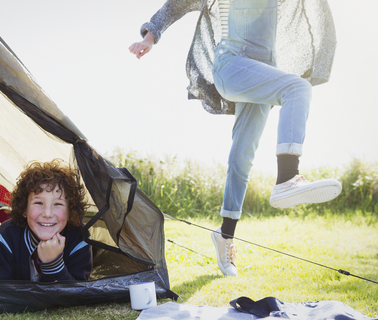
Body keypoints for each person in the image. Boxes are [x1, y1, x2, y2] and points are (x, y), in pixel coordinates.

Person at [129, 0, 341, 277]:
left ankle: (224, 235)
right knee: (297, 88)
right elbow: (176, 5)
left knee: (243, 153)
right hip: (233, 65)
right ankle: (288, 176)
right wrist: (149, 37)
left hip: (263, 68)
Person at [0, 159, 92, 281]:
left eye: (58, 204)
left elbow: (76, 295)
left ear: (70, 212)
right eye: (38, 202)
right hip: (0, 254)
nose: (47, 214)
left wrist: (53, 264)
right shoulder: (6, 234)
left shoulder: (79, 237)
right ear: (25, 209)